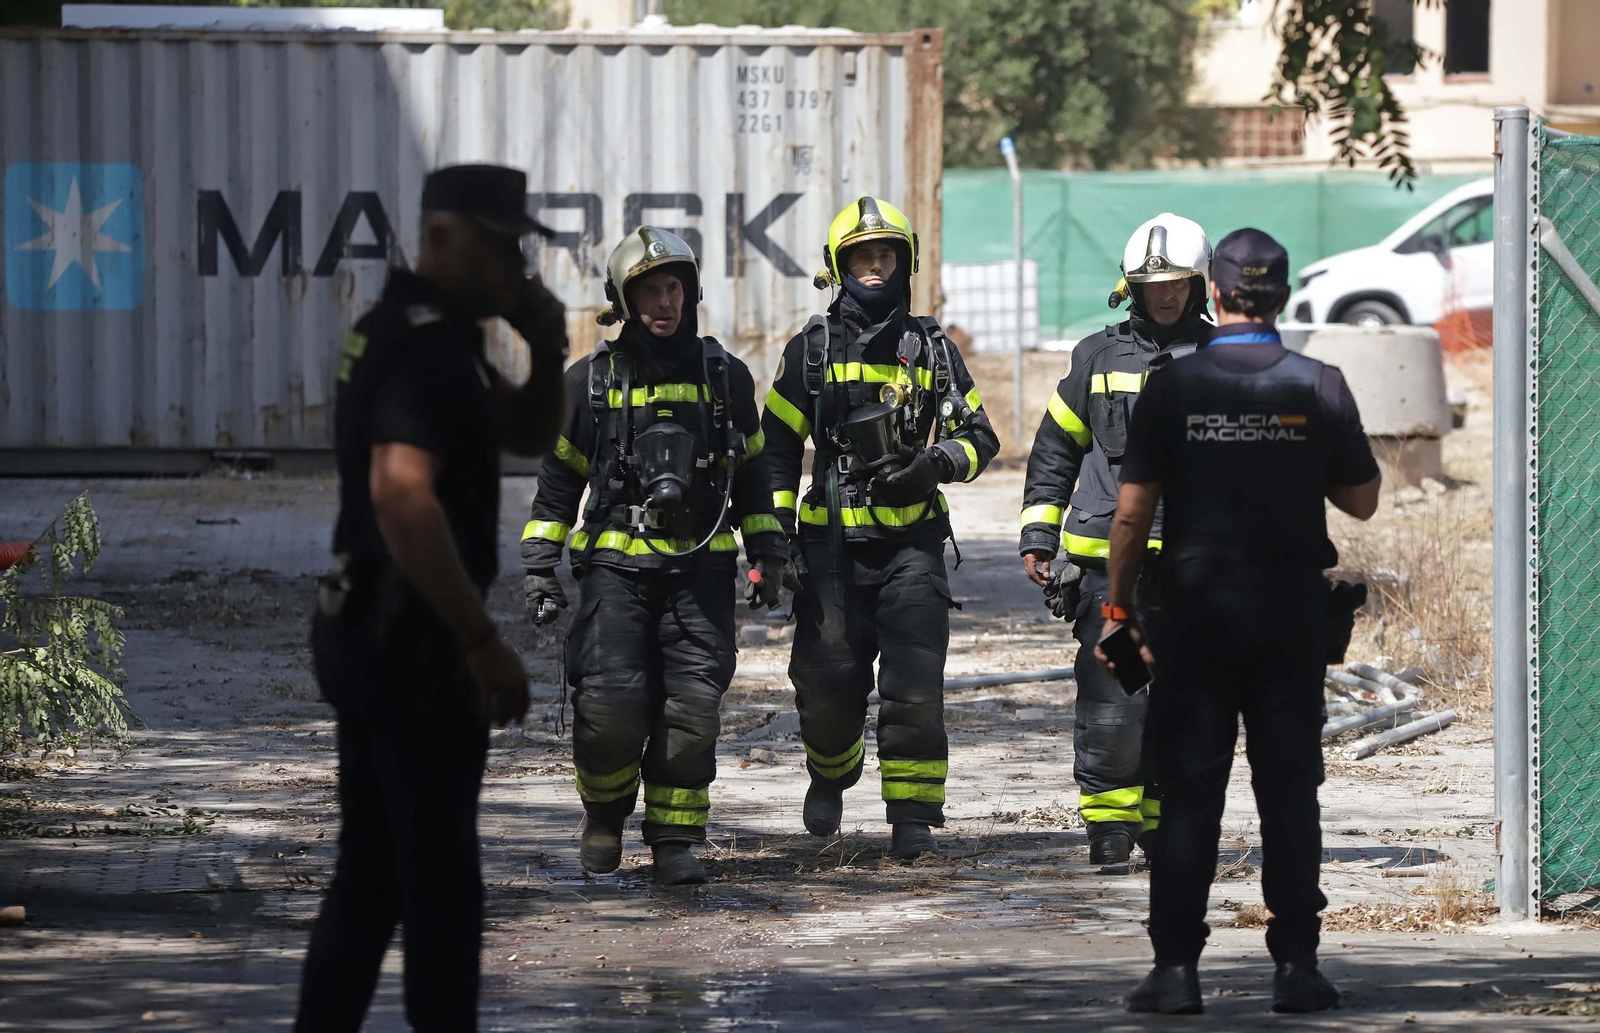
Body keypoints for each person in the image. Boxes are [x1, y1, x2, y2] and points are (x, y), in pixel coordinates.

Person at [296, 164, 569, 1032]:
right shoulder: (421, 343)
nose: (519, 268)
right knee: (440, 887)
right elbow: (401, 496)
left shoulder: (436, 335)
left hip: (376, 630)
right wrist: (480, 639)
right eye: (505, 248)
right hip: (407, 641)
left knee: (372, 877)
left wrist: (549, 344)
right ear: (447, 239)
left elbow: (525, 432)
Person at [1098, 228, 1381, 1016]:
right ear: (1282, 296)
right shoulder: (1318, 384)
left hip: (1195, 617)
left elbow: (1130, 515)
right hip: (1289, 618)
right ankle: (1297, 967)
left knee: (1190, 793)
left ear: (1215, 293)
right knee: (1290, 791)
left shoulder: (1173, 387)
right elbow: (1362, 499)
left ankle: (1176, 972)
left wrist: (1120, 607)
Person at [521, 227, 788, 885]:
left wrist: (770, 554)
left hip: (701, 570)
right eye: (649, 291)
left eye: (673, 288)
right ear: (624, 299)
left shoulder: (726, 378)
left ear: (690, 293)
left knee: (692, 709)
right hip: (616, 573)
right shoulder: (592, 382)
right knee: (611, 707)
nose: (663, 302)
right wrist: (538, 564)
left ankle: (675, 838)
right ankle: (605, 815)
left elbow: (753, 475)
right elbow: (558, 483)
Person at [762, 196, 1000, 859]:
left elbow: (980, 436)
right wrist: (775, 536)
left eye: (885, 254)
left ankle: (913, 817)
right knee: (829, 682)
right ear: (840, 266)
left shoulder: (931, 349)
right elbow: (774, 450)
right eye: (862, 256)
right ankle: (831, 775)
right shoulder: (809, 351)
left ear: (905, 264)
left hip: (911, 549)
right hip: (829, 548)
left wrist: (933, 466)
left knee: (915, 687)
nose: (874, 266)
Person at [1018, 213, 1212, 865]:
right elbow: (1054, 447)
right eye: (1150, 284)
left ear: (1200, 284)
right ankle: (1108, 825)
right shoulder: (1096, 357)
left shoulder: (1221, 360)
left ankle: (1158, 819)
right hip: (1109, 571)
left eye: (1177, 283)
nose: (1164, 295)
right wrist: (1039, 532)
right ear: (1129, 286)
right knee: (1116, 696)